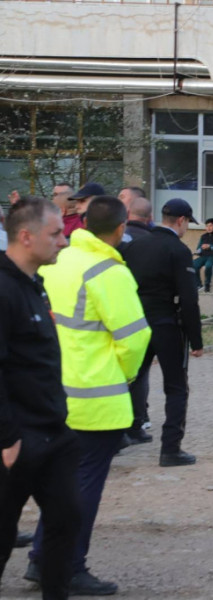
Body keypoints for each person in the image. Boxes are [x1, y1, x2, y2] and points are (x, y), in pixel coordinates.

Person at [28, 196, 151, 596]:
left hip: (52, 393)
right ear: (120, 229)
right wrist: (125, 376)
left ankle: (41, 559)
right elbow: (135, 338)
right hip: (96, 401)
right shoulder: (110, 272)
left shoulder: (59, 260)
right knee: (82, 488)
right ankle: (67, 566)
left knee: (58, 486)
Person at [0, 197, 81, 600]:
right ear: (26, 236)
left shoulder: (36, 285)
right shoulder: (3, 289)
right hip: (17, 439)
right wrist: (7, 437)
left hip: (53, 432)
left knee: (67, 520)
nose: (63, 241)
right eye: (56, 234)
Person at [123, 198, 204, 466]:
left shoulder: (134, 247)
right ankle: (170, 449)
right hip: (166, 324)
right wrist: (196, 340)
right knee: (176, 387)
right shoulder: (178, 250)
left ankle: (122, 434)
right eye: (187, 223)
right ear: (181, 220)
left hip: (136, 323)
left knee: (131, 379)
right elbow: (189, 299)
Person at [193, 218, 213, 292]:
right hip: (203, 256)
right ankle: (198, 284)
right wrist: (200, 249)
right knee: (193, 264)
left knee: (208, 266)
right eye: (207, 226)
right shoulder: (203, 236)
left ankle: (207, 283)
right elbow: (198, 248)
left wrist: (210, 246)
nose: (208, 228)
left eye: (210, 226)